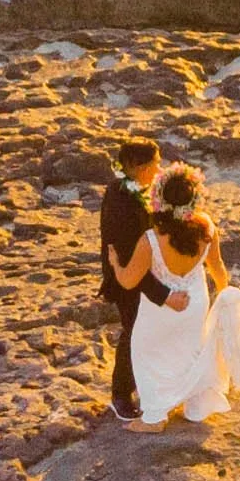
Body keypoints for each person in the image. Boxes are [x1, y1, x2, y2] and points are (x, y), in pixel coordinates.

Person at [109, 163, 240, 427]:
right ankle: (195, 405)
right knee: (189, 352)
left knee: (148, 354)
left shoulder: (151, 239)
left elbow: (129, 281)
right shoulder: (207, 228)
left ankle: (154, 417)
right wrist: (223, 293)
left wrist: (115, 264)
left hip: (160, 309)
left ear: (160, 199)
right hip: (195, 303)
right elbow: (218, 267)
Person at [99, 136, 186, 424]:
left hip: (143, 272)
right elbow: (129, 260)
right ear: (137, 166)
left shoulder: (136, 190)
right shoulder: (121, 202)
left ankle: (149, 385)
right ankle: (121, 394)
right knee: (134, 331)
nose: (158, 169)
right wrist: (163, 294)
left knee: (149, 331)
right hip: (127, 280)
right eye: (154, 164)